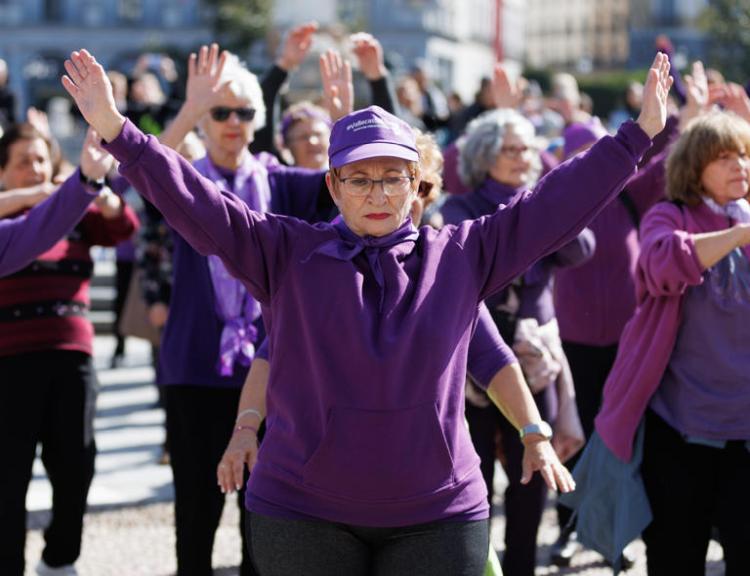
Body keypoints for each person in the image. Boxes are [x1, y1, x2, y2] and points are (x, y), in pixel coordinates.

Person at [61, 47, 670, 575]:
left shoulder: (461, 252)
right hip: (303, 510)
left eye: (392, 177)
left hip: (437, 511)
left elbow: (553, 203)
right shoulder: (285, 251)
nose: (377, 193)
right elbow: (200, 203)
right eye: (359, 179)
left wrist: (636, 137)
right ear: (332, 186)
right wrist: (119, 129)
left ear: (417, 185)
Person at [566, 110, 750, 575]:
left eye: (745, 155)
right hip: (678, 432)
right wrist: (737, 235)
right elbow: (663, 266)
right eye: (725, 156)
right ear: (695, 166)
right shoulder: (670, 215)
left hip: (745, 433)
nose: (739, 166)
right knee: (675, 558)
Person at [442, 106, 589, 576]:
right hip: (473, 355)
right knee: (475, 474)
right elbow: (460, 258)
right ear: (485, 156)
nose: (522, 157)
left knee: (533, 476)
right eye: (511, 149)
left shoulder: (540, 201)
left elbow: (581, 248)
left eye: (528, 148)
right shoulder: (462, 207)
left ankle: (523, 567)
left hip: (534, 352)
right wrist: (519, 211)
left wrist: (541, 194)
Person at [0, 123, 138, 576]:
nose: (35, 168)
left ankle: (59, 558)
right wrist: (36, 194)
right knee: (8, 476)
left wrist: (106, 196)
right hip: (10, 362)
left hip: (71, 356)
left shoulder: (72, 210)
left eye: (41, 159)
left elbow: (123, 227)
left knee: (76, 465)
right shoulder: (7, 218)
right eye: (23, 160)